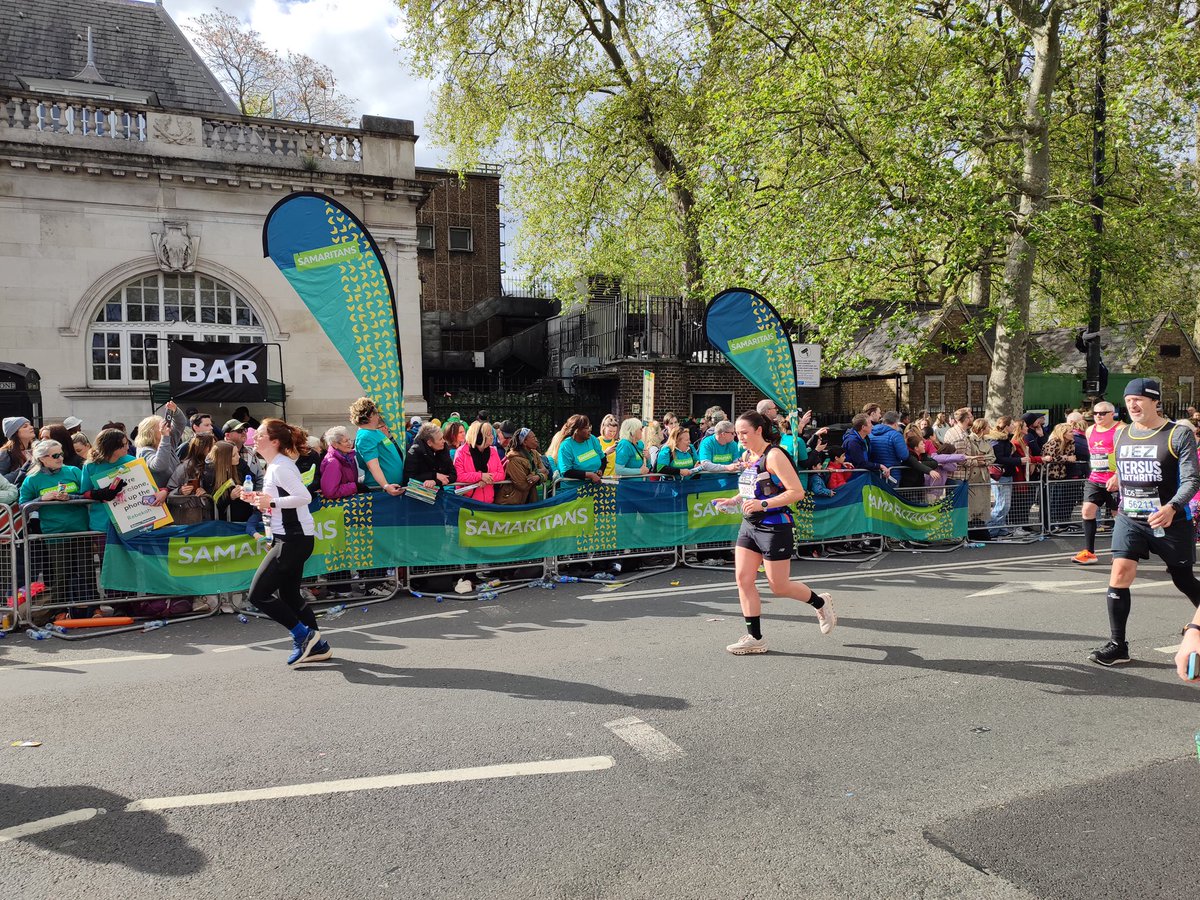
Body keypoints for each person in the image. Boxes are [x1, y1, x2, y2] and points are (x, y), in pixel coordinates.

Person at [1088, 379, 1200, 667]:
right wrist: (1117, 479)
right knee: (1120, 573)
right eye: (1128, 401)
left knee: (1183, 578)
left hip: (1171, 520)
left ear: (1154, 401)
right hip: (1131, 518)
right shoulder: (1122, 434)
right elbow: (1122, 467)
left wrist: (1173, 506)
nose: (1133, 405)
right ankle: (1118, 645)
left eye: (1139, 399)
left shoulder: (1177, 434)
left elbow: (1191, 480)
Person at [712, 411, 834, 655]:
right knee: (743, 580)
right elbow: (752, 488)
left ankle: (820, 603)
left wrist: (763, 504)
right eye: (737, 434)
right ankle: (754, 637)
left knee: (779, 586)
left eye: (744, 433)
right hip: (749, 525)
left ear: (759, 430)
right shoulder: (747, 455)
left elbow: (796, 492)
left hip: (775, 525)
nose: (740, 438)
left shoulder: (775, 455)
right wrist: (734, 500)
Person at [241, 418, 330, 667]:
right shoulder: (274, 466)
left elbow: (303, 496)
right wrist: (259, 498)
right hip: (287, 536)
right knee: (289, 595)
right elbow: (278, 499)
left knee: (258, 594)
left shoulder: (281, 467)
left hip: (294, 538)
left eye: (260, 435)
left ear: (275, 441)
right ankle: (318, 645)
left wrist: (270, 503)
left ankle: (303, 636)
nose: (255, 437)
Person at [18, 439, 92, 617]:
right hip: (54, 533)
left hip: (80, 529)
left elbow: (87, 494)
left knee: (86, 571)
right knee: (60, 574)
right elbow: (23, 506)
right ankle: (59, 610)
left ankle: (91, 608)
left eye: (61, 454)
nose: (60, 458)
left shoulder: (73, 471)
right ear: (43, 458)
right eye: (56, 455)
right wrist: (42, 500)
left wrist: (71, 497)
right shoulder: (32, 479)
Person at [1073, 400, 1124, 565]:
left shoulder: (1121, 429)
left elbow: (1125, 455)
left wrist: (1117, 475)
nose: (1098, 416)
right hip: (1095, 478)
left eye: (1102, 413)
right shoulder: (1090, 430)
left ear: (1112, 413)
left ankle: (1120, 552)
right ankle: (1089, 552)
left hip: (1116, 479)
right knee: (1087, 511)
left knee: (1119, 517)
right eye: (1095, 413)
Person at [79, 429, 137, 532]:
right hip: (102, 523)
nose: (127, 447)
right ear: (110, 447)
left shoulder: (133, 461)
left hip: (130, 520)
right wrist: (99, 494)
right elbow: (84, 492)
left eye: (127, 443)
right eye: (122, 445)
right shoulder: (90, 466)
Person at [349, 397, 404, 496]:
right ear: (369, 415)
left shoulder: (375, 432)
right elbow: (373, 465)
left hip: (390, 487)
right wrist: (386, 486)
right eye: (376, 413)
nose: (378, 416)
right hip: (380, 490)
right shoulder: (365, 436)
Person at [135, 401, 186, 492]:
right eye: (162, 426)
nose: (167, 428)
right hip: (159, 499)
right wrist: (165, 437)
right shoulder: (144, 451)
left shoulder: (167, 441)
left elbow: (180, 424)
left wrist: (175, 411)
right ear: (150, 432)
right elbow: (159, 466)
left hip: (174, 493)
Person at [454, 420, 506, 502]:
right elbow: (459, 476)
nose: (492, 437)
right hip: (468, 502)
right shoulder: (461, 452)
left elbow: (501, 474)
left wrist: (486, 478)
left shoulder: (493, 451)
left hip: (489, 502)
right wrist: (480, 476)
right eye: (489, 435)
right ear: (479, 437)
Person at [204, 439, 255, 522]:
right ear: (224, 459)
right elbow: (214, 502)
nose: (238, 456)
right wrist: (230, 496)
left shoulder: (240, 463)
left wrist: (245, 487)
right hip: (225, 522)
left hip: (245, 514)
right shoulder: (210, 473)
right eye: (234, 455)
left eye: (238, 453)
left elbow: (252, 479)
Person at [497, 428, 550, 505]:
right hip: (511, 502)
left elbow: (546, 471)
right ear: (524, 442)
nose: (536, 440)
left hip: (529, 500)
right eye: (533, 438)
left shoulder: (534, 454)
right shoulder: (513, 460)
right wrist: (541, 474)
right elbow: (523, 485)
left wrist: (538, 476)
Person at [403, 422, 455, 488]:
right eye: (440, 439)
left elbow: (453, 475)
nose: (444, 441)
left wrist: (435, 482)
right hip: (418, 494)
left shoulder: (443, 449)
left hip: (438, 491)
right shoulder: (414, 452)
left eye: (443, 438)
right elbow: (409, 478)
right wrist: (434, 475)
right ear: (429, 442)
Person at [556, 415, 605, 483]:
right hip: (573, 488)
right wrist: (589, 475)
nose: (589, 430)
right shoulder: (566, 446)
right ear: (577, 430)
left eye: (589, 427)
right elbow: (566, 472)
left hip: (594, 486)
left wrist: (601, 470)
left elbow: (603, 458)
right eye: (586, 428)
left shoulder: (592, 439)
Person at [843, 413, 889, 480]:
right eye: (870, 423)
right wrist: (879, 466)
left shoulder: (865, 438)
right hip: (853, 477)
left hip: (862, 475)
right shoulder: (853, 442)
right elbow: (860, 463)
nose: (872, 426)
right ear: (863, 427)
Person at [320, 427, 360, 500]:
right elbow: (330, 492)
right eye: (345, 441)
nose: (349, 443)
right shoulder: (333, 462)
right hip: (340, 507)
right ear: (335, 444)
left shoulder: (348, 457)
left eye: (349, 440)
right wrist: (355, 487)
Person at [0, 416, 35, 481]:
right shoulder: (6, 453)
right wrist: (24, 468)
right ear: (15, 433)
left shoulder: (36, 448)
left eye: (30, 425)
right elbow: (1, 481)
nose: (31, 427)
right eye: (25, 426)